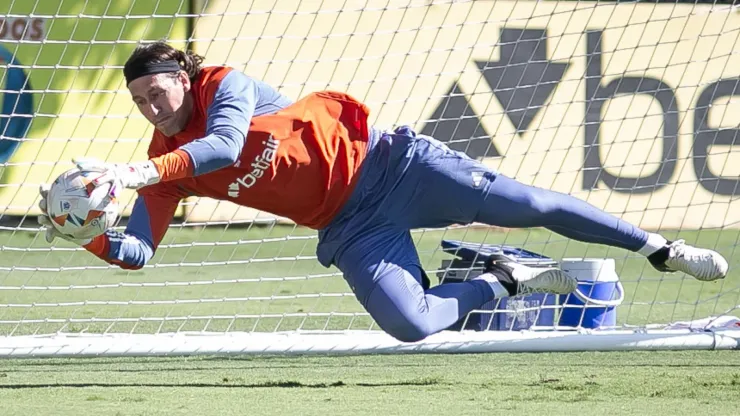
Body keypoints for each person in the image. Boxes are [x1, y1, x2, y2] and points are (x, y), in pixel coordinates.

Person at [38, 41, 729, 343]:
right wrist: (88, 234)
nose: (147, 107)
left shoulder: (225, 84)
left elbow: (222, 145)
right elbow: (137, 254)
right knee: (412, 324)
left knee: (537, 204)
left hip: (394, 168)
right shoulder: (165, 163)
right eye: (135, 100)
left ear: (182, 78)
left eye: (153, 91)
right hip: (349, 225)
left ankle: (658, 248)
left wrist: (132, 174)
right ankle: (507, 279)